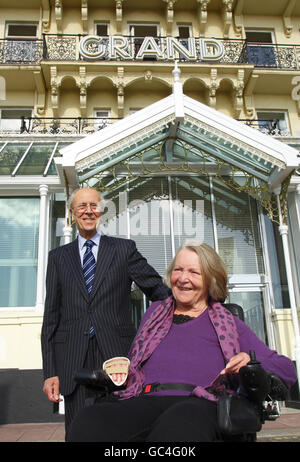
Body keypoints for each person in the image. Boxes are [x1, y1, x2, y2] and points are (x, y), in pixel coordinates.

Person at [68, 241, 297, 442]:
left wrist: (249, 362)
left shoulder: (230, 323)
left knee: (179, 424)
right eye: (178, 270)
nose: (183, 278)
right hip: (144, 398)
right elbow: (135, 362)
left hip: (199, 402)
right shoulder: (155, 313)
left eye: (194, 273)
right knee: (91, 421)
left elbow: (286, 369)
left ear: (210, 280)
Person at [41, 187, 170, 439]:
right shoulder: (58, 258)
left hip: (117, 354)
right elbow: (51, 318)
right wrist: (50, 372)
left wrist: (178, 318)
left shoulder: (123, 250)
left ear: (101, 211)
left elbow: (158, 291)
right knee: (79, 430)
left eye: (93, 206)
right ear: (72, 214)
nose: (88, 211)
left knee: (119, 429)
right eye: (82, 206)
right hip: (72, 358)